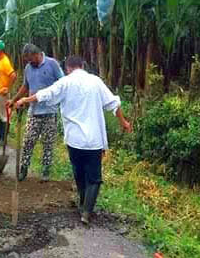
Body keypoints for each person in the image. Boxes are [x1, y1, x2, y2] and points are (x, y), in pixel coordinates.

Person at [15, 56, 132, 225]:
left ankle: (83, 204)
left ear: (68, 68)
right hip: (93, 140)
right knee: (94, 178)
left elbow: (46, 94)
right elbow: (114, 103)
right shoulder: (95, 81)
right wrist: (124, 122)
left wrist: (26, 99)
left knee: (79, 173)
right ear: (82, 66)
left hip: (74, 140)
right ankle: (86, 211)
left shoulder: (65, 82)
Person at [7, 43, 65, 182]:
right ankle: (24, 169)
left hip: (50, 111)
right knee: (28, 141)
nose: (29, 62)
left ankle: (45, 170)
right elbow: (25, 86)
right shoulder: (28, 68)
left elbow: (63, 84)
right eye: (27, 60)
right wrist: (14, 99)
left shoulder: (52, 64)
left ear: (36, 54)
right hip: (33, 111)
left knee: (48, 142)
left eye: (30, 59)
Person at [0, 40, 17, 144]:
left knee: (5, 116)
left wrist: (8, 88)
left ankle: (3, 139)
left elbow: (13, 75)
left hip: (2, 94)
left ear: (0, 50)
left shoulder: (5, 61)